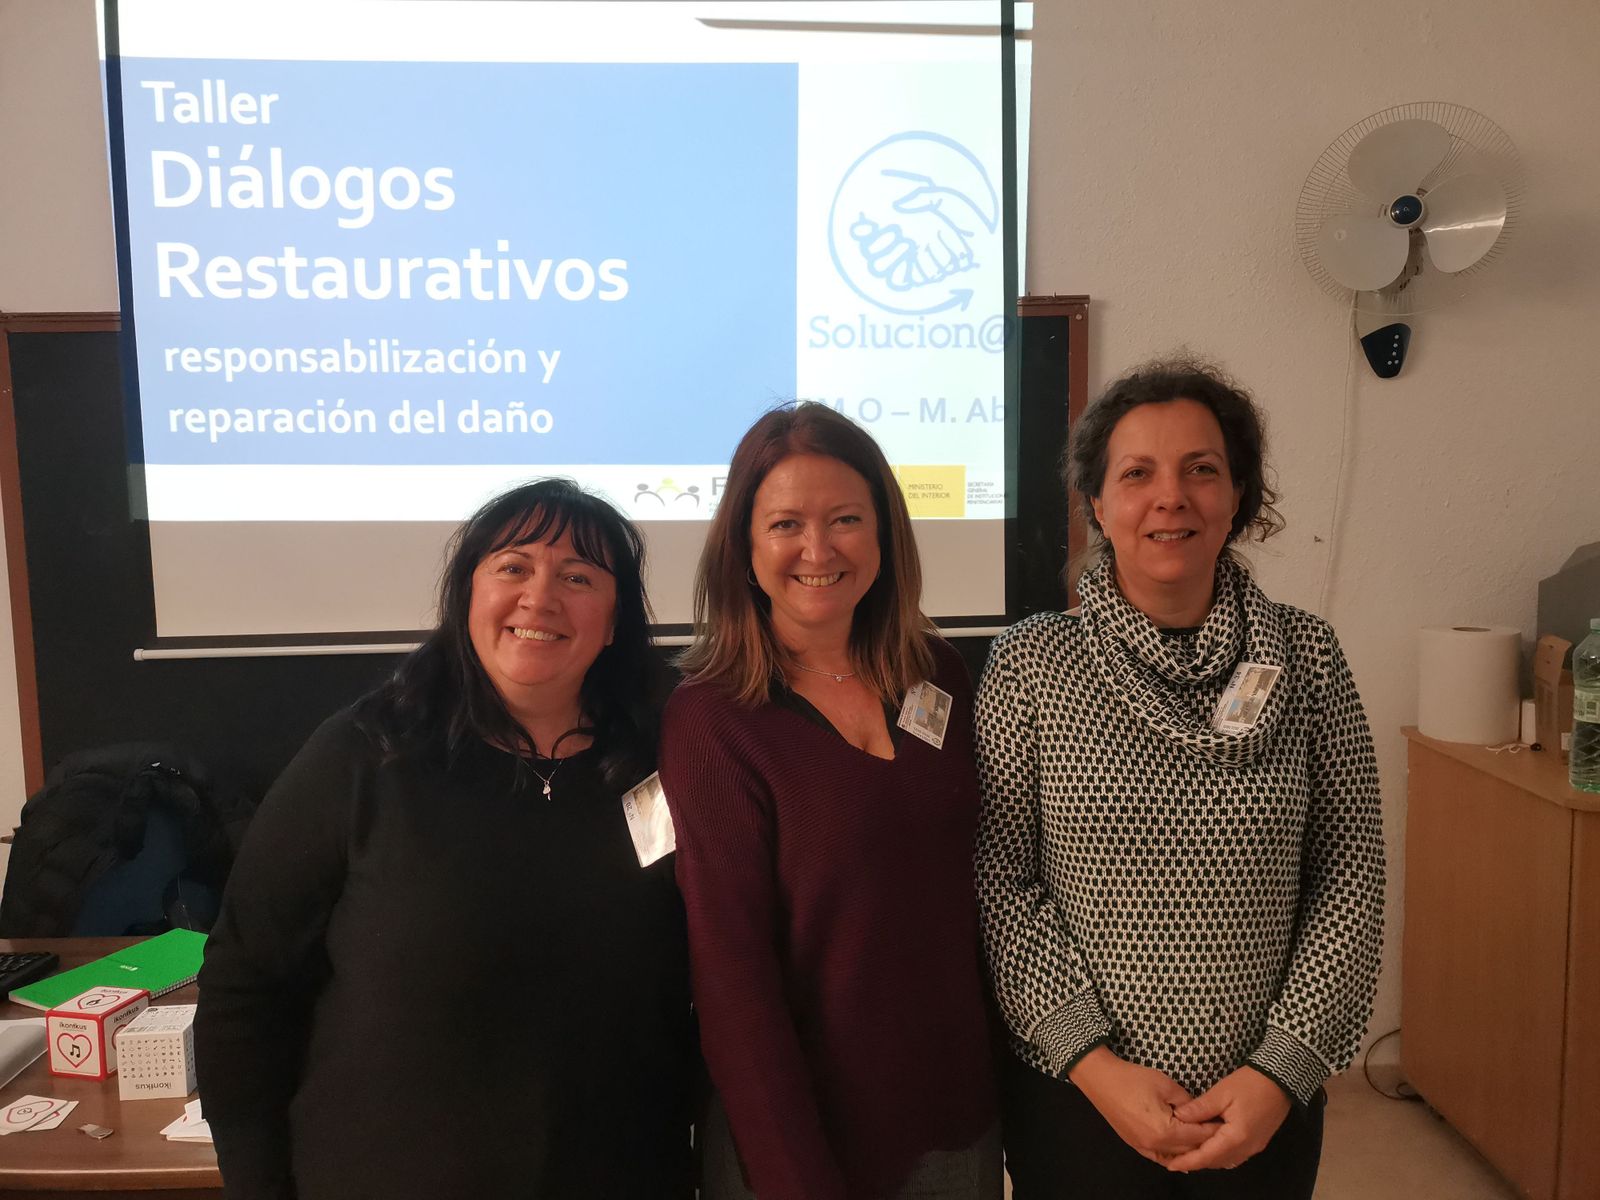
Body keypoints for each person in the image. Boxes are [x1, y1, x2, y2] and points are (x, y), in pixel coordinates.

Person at [194, 479, 693, 1200]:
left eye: (578, 577)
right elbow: (247, 982)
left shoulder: (674, 752)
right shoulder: (364, 756)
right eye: (513, 567)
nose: (540, 597)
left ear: (615, 621)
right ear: (467, 595)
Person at [975, 358, 1385, 1199]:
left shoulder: (1308, 657)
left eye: (1202, 470)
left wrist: (1281, 1071)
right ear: (1096, 504)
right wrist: (1094, 1065)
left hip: (1263, 1104)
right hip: (1079, 1098)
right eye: (1137, 474)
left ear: (1238, 496)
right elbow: (1001, 882)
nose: (1172, 497)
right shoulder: (1030, 664)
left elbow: (1350, 879)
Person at [659, 403, 999, 1200]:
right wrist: (792, 1176)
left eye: (845, 518)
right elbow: (730, 979)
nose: (818, 549)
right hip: (799, 1140)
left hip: (956, 1119)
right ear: (744, 545)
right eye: (785, 524)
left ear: (883, 534)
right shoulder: (712, 718)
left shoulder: (938, 673)